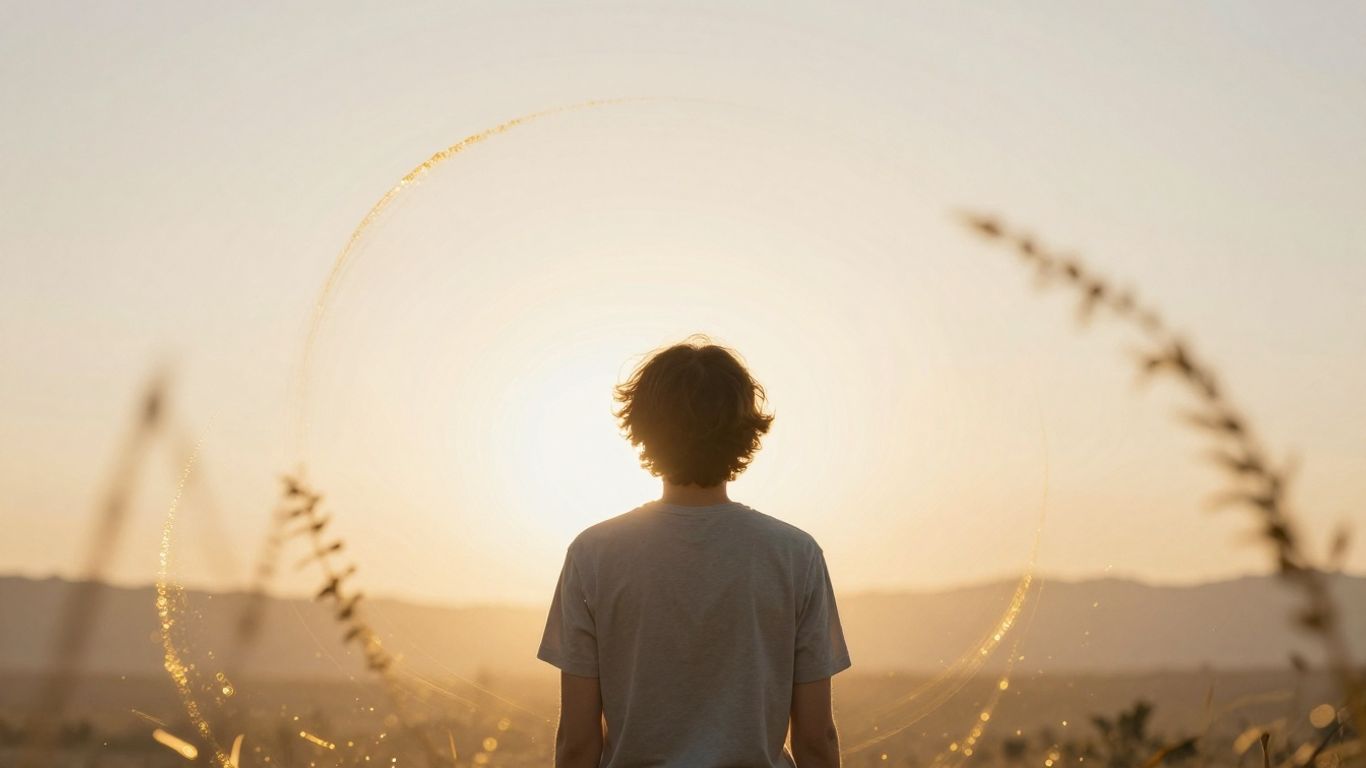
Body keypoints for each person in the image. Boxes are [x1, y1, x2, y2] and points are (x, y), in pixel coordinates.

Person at [537, 336, 851, 768]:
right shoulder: (796, 555)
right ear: (745, 430)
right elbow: (816, 739)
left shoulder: (593, 554)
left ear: (644, 428)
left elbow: (577, 742)